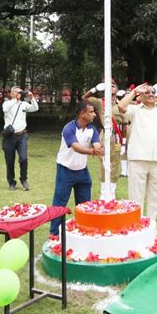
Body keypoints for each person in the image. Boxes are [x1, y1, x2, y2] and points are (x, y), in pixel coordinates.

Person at [117, 83, 157, 219]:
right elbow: (121, 106)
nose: (151, 95)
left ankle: (151, 226)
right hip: (138, 158)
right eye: (147, 92)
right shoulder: (135, 110)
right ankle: (136, 227)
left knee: (155, 196)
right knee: (136, 197)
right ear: (140, 96)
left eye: (153, 92)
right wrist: (134, 91)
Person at [49, 101, 103, 236]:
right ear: (82, 113)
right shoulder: (69, 128)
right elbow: (75, 147)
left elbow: (96, 143)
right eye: (91, 112)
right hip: (65, 170)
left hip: (82, 171)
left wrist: (99, 150)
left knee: (84, 204)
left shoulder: (92, 129)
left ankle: (84, 229)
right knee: (60, 202)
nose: (94, 115)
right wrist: (92, 152)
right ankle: (54, 233)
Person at [83, 80, 127, 199]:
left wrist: (124, 142)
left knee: (115, 164)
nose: (111, 87)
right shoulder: (100, 102)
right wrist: (95, 89)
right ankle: (103, 193)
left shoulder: (121, 104)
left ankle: (112, 192)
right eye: (109, 86)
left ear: (117, 89)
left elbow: (124, 125)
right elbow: (85, 98)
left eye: (113, 86)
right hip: (104, 134)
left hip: (117, 136)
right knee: (103, 161)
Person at [1, 86, 39, 191]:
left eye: (19, 92)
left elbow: (35, 108)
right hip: (9, 137)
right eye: (16, 91)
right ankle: (11, 182)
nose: (18, 93)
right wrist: (15, 99)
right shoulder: (7, 103)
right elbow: (5, 109)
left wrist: (32, 98)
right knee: (10, 161)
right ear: (11, 93)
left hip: (22, 135)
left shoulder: (24, 104)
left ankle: (24, 180)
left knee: (23, 158)